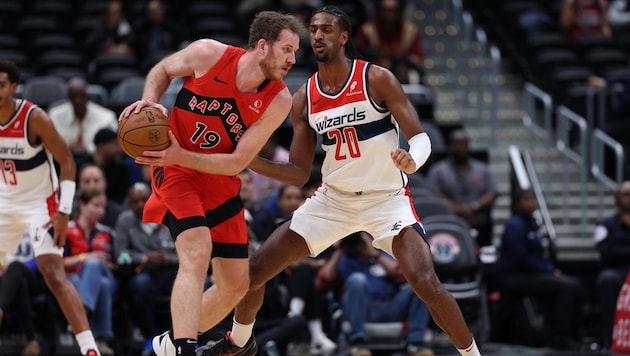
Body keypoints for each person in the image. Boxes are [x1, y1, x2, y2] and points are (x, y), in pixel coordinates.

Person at [198, 6, 481, 356]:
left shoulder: (376, 78)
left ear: (344, 37)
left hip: (385, 198)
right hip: (334, 200)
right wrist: (248, 161)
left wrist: (413, 159)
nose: (317, 35)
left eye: (327, 29)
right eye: (313, 29)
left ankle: (472, 354)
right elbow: (300, 172)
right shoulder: (304, 97)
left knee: (425, 281)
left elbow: (421, 137)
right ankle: (238, 344)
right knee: (255, 272)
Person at [118, 11, 305, 356]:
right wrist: (150, 100)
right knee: (197, 251)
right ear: (262, 46)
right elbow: (162, 70)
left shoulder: (278, 99)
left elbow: (237, 162)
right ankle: (185, 349)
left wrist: (180, 155)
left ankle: (168, 343)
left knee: (236, 284)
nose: (294, 59)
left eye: (295, 52)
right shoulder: (208, 54)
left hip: (218, 177)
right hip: (176, 174)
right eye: (288, 49)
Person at [0, 59, 101, 356]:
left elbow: (68, 162)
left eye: (1, 85)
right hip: (5, 201)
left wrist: (63, 212)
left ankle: (89, 348)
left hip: (41, 204)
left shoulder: (34, 117)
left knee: (53, 273)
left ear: (14, 87)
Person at [494, 188, 583, 350]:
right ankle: (559, 338)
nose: (530, 203)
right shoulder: (515, 225)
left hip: (530, 274)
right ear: (517, 203)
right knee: (567, 287)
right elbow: (521, 258)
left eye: (532, 199)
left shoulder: (532, 223)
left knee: (574, 284)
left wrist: (549, 269)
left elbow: (538, 255)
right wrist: (549, 271)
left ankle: (572, 334)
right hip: (513, 276)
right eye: (526, 200)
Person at [318, 231, 433, 356]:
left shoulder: (383, 255)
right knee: (357, 279)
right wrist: (340, 250)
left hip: (389, 306)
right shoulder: (345, 258)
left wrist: (375, 255)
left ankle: (415, 343)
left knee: (420, 286)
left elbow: (400, 274)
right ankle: (358, 342)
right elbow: (323, 280)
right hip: (362, 310)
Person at [113, 182, 178, 355]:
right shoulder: (125, 221)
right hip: (143, 272)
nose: (140, 204)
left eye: (144, 199)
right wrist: (144, 257)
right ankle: (150, 336)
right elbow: (121, 255)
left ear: (153, 198)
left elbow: (186, 253)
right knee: (141, 285)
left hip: (171, 270)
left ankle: (186, 338)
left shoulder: (169, 216)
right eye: (135, 201)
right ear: (129, 204)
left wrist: (169, 258)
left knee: (194, 284)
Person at [64, 189, 118, 355]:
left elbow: (119, 262)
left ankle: (80, 314)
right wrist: (84, 257)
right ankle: (100, 340)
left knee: (96, 268)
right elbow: (60, 263)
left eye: (103, 207)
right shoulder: (66, 230)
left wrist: (103, 264)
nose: (101, 211)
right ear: (82, 205)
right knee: (102, 284)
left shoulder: (108, 233)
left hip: (105, 271)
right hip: (74, 277)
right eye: (96, 206)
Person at [426, 129, 498, 247]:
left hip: (479, 221)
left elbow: (492, 192)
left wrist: (474, 207)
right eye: (456, 143)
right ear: (449, 146)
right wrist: (458, 209)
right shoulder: (438, 170)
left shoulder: (482, 169)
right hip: (449, 222)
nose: (460, 147)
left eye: (463, 143)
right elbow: (435, 195)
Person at [593, 180, 630, 349]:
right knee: (607, 280)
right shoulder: (606, 224)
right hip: (616, 270)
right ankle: (609, 336)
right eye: (626, 194)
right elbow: (606, 251)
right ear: (617, 199)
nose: (629, 198)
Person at [354, 0, 426, 84]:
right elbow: (358, 56)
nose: (388, 14)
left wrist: (399, 62)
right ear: (379, 10)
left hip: (402, 70)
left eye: (392, 10)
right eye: (385, 10)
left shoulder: (410, 31)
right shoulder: (367, 31)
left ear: (399, 11)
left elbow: (417, 57)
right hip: (374, 69)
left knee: (414, 76)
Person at [48, 77, 119, 158]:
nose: (78, 100)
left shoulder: (107, 117)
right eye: (74, 96)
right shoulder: (55, 116)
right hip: (64, 160)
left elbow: (114, 146)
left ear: (87, 96)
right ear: (68, 97)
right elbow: (49, 143)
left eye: (82, 95)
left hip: (97, 163)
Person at [0, 232, 43, 356]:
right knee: (19, 283)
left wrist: (16, 268)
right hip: (6, 280)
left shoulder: (35, 226)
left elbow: (41, 258)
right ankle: (32, 341)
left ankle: (1, 309)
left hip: (32, 277)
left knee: (16, 266)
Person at [74, 163, 125, 229]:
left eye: (96, 180)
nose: (92, 186)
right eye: (87, 181)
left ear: (105, 183)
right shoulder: (69, 211)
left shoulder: (118, 215)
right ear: (79, 185)